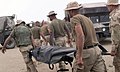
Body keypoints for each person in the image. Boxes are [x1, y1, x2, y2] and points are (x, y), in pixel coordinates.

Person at [65, 1, 106, 72]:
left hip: (86, 52)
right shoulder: (87, 19)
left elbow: (80, 36)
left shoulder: (75, 19)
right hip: (96, 50)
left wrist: (79, 56)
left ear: (71, 11)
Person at [106, 0, 120, 72]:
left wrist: (114, 48)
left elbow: (116, 33)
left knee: (118, 64)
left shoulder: (115, 16)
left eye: (108, 5)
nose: (107, 7)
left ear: (112, 5)